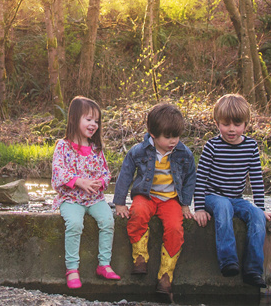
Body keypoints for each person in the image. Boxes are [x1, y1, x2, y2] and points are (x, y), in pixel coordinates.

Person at [193, 93, 271, 289]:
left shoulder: (250, 146)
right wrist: (199, 208)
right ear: (217, 123)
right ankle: (228, 261)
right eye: (226, 124)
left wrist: (261, 209)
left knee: (256, 217)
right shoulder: (212, 146)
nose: (231, 129)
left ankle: (252, 269)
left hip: (236, 198)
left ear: (246, 124)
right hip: (213, 197)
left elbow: (257, 180)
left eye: (237, 124)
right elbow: (199, 179)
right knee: (223, 206)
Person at [113, 102, 196, 298]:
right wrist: (119, 202)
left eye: (176, 136)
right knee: (138, 213)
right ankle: (140, 257)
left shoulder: (184, 154)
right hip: (146, 196)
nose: (173, 141)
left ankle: (166, 276)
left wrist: (185, 204)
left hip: (170, 200)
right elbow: (125, 175)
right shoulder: (138, 151)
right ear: (152, 134)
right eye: (167, 137)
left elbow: (190, 179)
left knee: (175, 227)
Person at [51, 96, 121, 289]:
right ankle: (72, 269)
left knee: (107, 221)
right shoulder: (63, 146)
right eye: (88, 119)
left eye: (96, 121)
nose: (93, 124)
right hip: (71, 199)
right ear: (74, 119)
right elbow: (58, 171)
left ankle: (104, 264)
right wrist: (79, 181)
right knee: (74, 224)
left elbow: (106, 173)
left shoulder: (96, 149)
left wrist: (100, 182)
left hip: (94, 199)